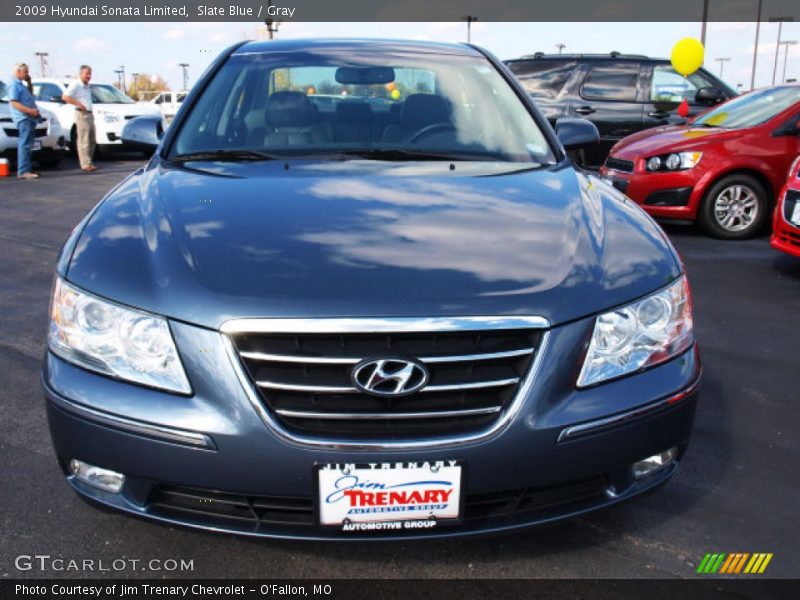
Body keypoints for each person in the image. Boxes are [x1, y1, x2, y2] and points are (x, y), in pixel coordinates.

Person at [8, 62, 40, 180]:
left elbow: (30, 95)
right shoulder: (14, 85)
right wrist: (29, 111)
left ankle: (27, 167)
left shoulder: (22, 85)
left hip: (30, 118)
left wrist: (29, 82)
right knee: (25, 144)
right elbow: (14, 102)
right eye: (25, 72)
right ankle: (23, 170)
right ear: (18, 72)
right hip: (24, 118)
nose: (27, 74)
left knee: (28, 144)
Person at [62, 65, 97, 172]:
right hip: (82, 113)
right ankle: (85, 164)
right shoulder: (75, 84)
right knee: (84, 140)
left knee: (92, 140)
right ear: (81, 73)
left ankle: (89, 161)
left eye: (90, 74)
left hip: (90, 114)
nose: (89, 76)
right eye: (87, 73)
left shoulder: (87, 86)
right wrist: (78, 104)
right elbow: (65, 97)